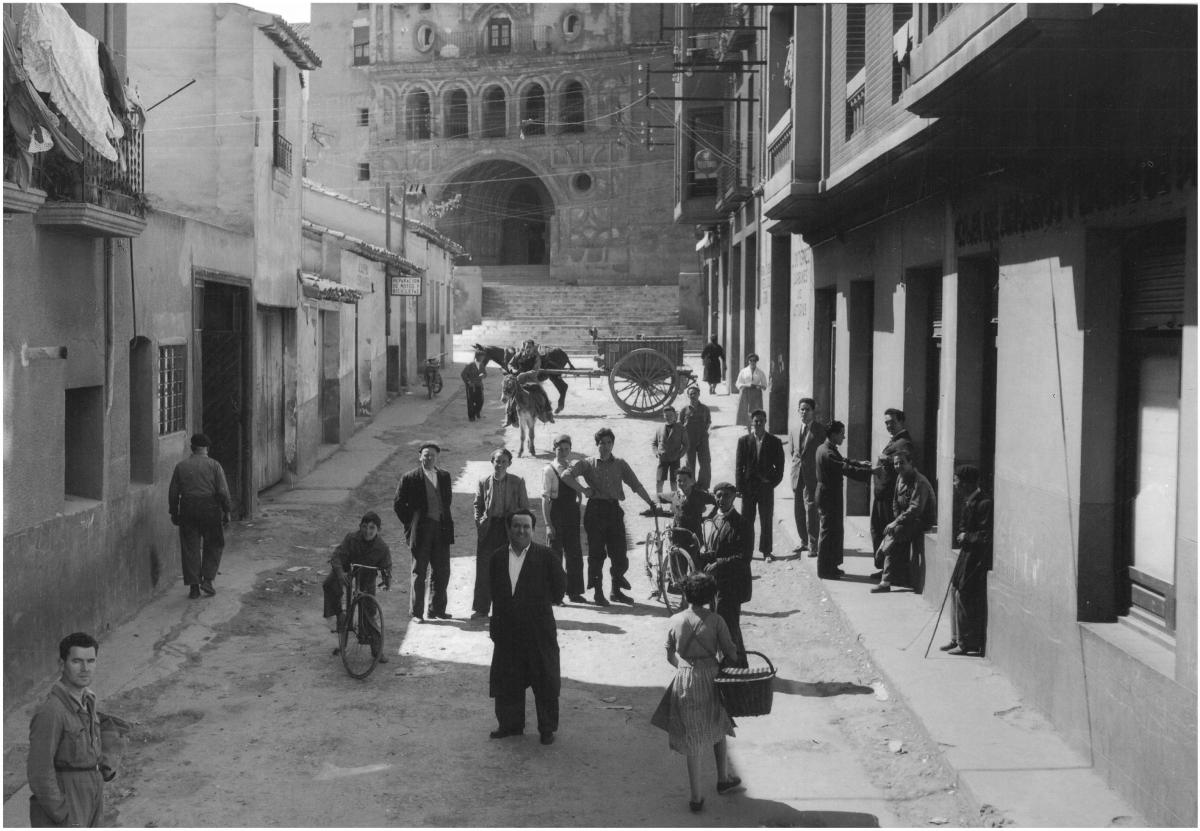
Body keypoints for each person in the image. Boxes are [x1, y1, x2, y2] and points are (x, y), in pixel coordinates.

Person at [657, 573, 741, 813]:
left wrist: (684, 668)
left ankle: (696, 798)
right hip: (712, 678)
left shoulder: (675, 619)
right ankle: (723, 779)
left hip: (685, 680)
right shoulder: (716, 621)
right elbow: (731, 653)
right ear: (711, 596)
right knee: (720, 724)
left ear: (685, 595)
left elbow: (669, 654)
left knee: (692, 737)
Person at [488, 510, 566, 745]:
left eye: (526, 527)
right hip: (507, 631)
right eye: (516, 526)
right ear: (508, 529)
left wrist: (534, 605)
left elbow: (559, 589)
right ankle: (510, 725)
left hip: (538, 631)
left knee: (545, 680)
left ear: (533, 530)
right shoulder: (498, 557)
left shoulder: (546, 556)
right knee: (508, 679)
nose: (521, 531)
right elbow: (495, 593)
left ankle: (547, 728)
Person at [28, 633, 113, 827]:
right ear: (61, 663)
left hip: (91, 791)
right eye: (77, 661)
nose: (85, 669)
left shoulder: (88, 700)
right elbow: (39, 771)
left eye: (91, 661)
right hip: (68, 796)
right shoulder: (51, 711)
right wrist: (62, 813)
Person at [572, 427, 657, 606]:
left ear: (613, 444)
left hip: (614, 511)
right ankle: (598, 593)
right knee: (596, 554)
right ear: (597, 444)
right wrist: (583, 490)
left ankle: (616, 590)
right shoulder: (587, 463)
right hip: (595, 511)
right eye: (602, 443)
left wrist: (650, 502)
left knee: (620, 554)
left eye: (609, 443)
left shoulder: (620, 464)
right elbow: (567, 474)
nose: (605, 446)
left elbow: (636, 485)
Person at [393, 442, 455, 622]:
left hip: (441, 529)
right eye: (426, 455)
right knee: (419, 572)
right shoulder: (410, 477)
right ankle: (417, 613)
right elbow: (398, 504)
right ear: (420, 456)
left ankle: (437, 609)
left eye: (432, 455)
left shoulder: (444, 476)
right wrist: (411, 523)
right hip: (421, 530)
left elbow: (447, 501)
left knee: (442, 570)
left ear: (437, 457)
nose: (429, 458)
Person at [168, 433, 232, 599]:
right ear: (207, 449)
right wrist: (227, 511)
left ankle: (194, 587)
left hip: (188, 509)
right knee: (215, 543)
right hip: (210, 508)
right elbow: (223, 491)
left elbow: (173, 493)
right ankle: (208, 580)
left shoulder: (181, 466)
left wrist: (174, 512)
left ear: (192, 448)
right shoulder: (214, 466)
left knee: (190, 547)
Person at [322, 512, 392, 658]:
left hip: (367, 575)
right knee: (329, 584)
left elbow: (386, 566)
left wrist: (386, 580)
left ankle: (376, 650)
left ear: (378, 530)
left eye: (372, 528)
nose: (367, 531)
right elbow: (336, 556)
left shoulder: (382, 547)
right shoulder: (351, 538)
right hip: (348, 569)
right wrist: (341, 574)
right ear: (360, 527)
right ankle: (339, 615)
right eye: (365, 527)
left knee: (369, 609)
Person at [472, 448, 530, 619]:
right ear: (492, 462)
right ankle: (481, 609)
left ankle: (506, 609)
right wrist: (479, 522)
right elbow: (478, 504)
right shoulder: (484, 481)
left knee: (508, 569)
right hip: (489, 528)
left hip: (508, 529)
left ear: (509, 464)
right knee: (484, 569)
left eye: (504, 461)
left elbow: (524, 506)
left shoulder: (517, 482)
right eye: (497, 461)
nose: (500, 465)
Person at [814, 421, 875, 579]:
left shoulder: (827, 448)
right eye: (842, 433)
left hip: (830, 494)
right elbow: (844, 468)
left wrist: (859, 463)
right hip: (828, 496)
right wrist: (870, 472)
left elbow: (843, 461)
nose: (844, 436)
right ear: (833, 434)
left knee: (834, 531)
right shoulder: (827, 452)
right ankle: (825, 570)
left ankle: (831, 566)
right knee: (828, 532)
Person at [942, 465, 992, 655]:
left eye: (956, 481)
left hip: (976, 560)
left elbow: (985, 537)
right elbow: (963, 527)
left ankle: (967, 643)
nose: (955, 485)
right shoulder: (968, 502)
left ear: (967, 483)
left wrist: (966, 537)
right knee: (955, 590)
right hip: (965, 556)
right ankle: (956, 638)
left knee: (964, 595)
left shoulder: (984, 503)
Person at [872, 449, 936, 593]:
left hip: (921, 520)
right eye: (896, 463)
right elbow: (895, 502)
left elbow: (916, 509)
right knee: (895, 532)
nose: (898, 466)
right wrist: (896, 519)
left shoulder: (920, 482)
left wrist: (896, 523)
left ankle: (885, 578)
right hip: (906, 519)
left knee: (895, 533)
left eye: (902, 463)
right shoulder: (900, 478)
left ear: (910, 463)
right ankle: (888, 571)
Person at [702, 482, 750, 667]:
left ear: (734, 497)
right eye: (718, 495)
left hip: (733, 585)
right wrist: (707, 556)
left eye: (726, 496)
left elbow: (743, 557)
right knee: (725, 626)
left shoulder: (742, 523)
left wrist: (718, 564)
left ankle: (733, 667)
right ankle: (738, 663)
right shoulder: (715, 520)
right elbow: (718, 549)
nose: (721, 500)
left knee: (728, 626)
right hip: (717, 584)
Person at [542, 434, 591, 604]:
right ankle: (556, 595)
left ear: (570, 449)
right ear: (554, 449)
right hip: (556, 512)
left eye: (566, 449)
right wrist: (548, 524)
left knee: (575, 553)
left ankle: (575, 592)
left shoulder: (571, 467)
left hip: (571, 514)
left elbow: (576, 486)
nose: (563, 452)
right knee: (555, 555)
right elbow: (545, 499)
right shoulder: (549, 469)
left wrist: (579, 500)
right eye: (559, 449)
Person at [870, 408, 915, 580]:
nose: (889, 426)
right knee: (878, 532)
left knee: (888, 535)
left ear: (901, 422)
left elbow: (904, 468)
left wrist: (886, 460)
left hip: (890, 496)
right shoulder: (894, 441)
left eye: (892, 422)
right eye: (886, 423)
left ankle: (891, 573)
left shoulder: (904, 443)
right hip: (881, 494)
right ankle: (883, 569)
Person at [734, 409, 785, 561]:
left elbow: (780, 466)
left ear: (765, 422)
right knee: (747, 521)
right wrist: (739, 488)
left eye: (761, 421)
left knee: (766, 520)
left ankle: (766, 551)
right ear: (751, 422)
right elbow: (739, 467)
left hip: (765, 488)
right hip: (748, 488)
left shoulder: (774, 441)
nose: (758, 424)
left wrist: (771, 483)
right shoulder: (743, 441)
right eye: (755, 421)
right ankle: (746, 552)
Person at [788, 398, 826, 557]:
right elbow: (793, 453)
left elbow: (823, 453)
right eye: (801, 409)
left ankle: (813, 544)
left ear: (813, 412)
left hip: (812, 476)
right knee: (798, 509)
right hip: (797, 476)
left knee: (811, 509)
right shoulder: (795, 429)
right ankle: (803, 541)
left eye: (807, 409)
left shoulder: (820, 430)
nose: (804, 412)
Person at [679, 385, 713, 489]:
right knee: (690, 464)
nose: (693, 396)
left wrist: (703, 434)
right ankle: (691, 486)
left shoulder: (705, 409)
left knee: (705, 463)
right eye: (691, 394)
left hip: (702, 439)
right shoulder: (684, 410)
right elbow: (680, 425)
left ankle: (703, 486)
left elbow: (708, 422)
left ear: (699, 394)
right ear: (688, 396)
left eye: (695, 393)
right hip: (689, 440)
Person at [652, 405, 689, 498]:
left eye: (670, 415)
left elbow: (686, 445)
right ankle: (658, 501)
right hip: (663, 459)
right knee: (659, 481)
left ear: (675, 416)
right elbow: (654, 443)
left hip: (674, 459)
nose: (668, 417)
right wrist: (656, 452)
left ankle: (675, 502)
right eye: (666, 415)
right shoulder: (660, 428)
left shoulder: (681, 428)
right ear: (663, 416)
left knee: (674, 481)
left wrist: (680, 455)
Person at [732, 354, 767, 427]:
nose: (752, 362)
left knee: (755, 411)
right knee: (745, 410)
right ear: (748, 361)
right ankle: (747, 426)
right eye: (750, 360)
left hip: (756, 394)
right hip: (745, 393)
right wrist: (746, 385)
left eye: (754, 360)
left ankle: (754, 425)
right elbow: (738, 383)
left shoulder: (760, 372)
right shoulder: (743, 371)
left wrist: (759, 386)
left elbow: (764, 385)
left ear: (756, 362)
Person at [461, 350, 488, 421]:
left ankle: (477, 411)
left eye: (483, 357)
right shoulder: (470, 365)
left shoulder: (481, 365)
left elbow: (485, 374)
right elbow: (463, 374)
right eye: (481, 356)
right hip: (471, 386)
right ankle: (471, 417)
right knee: (471, 402)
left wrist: (483, 375)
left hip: (479, 385)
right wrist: (468, 382)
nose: (482, 358)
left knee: (480, 401)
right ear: (477, 356)